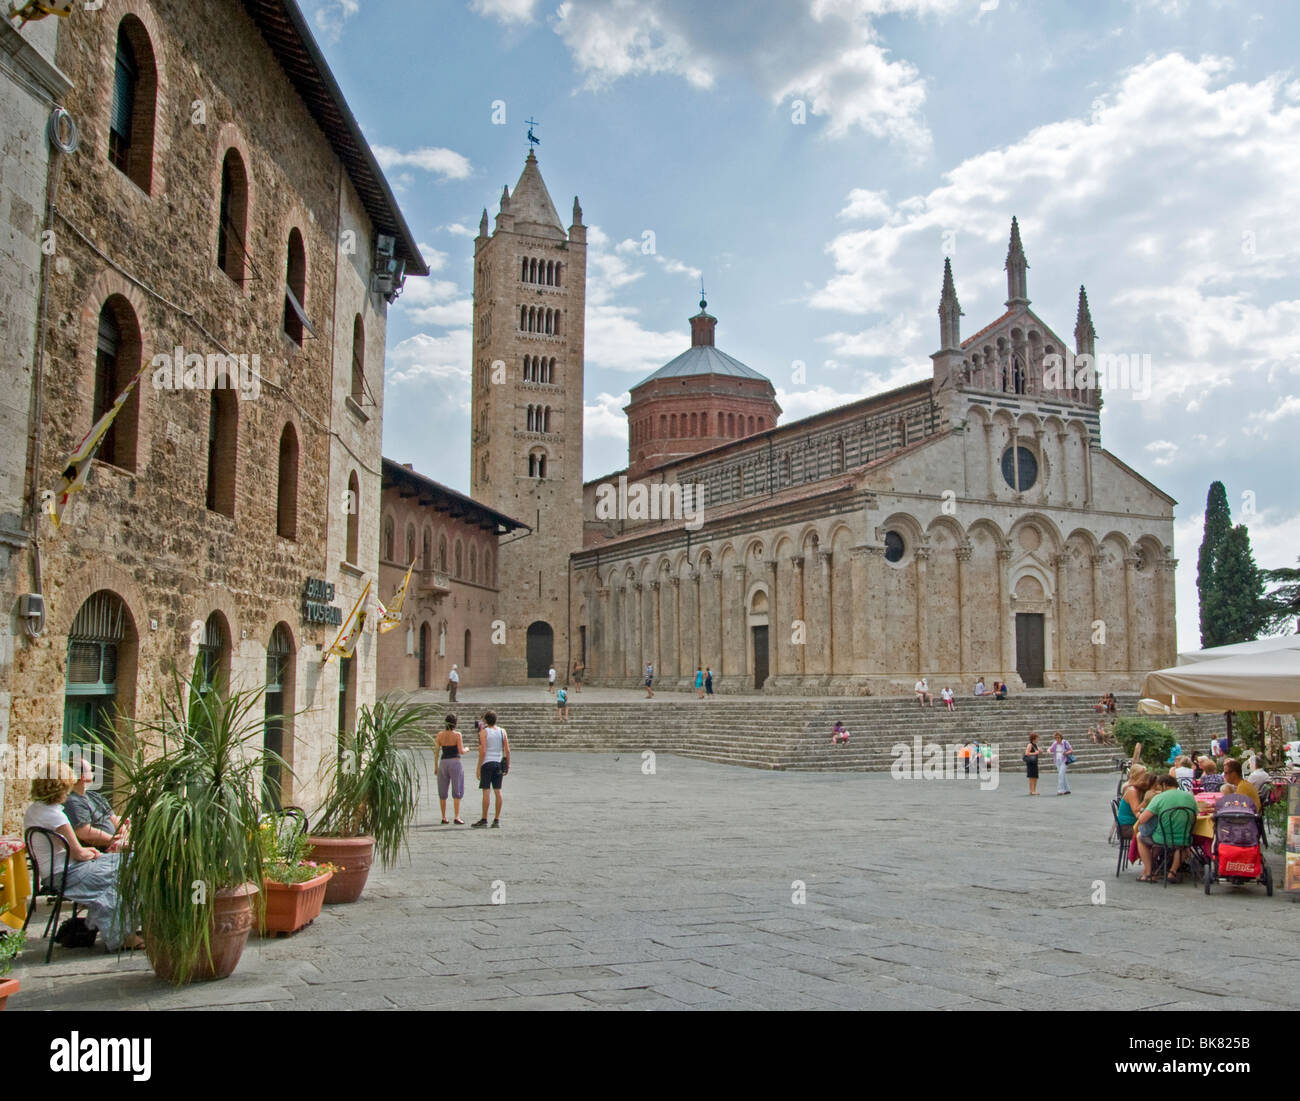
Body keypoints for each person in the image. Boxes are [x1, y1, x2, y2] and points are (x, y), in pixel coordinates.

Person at [23, 762, 143, 951]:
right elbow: (78, 852)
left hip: (57, 870)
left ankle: (112, 925)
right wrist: (93, 852)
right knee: (126, 872)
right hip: (67, 873)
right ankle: (122, 934)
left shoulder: (35, 809)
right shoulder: (56, 817)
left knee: (130, 862)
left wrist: (90, 853)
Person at [1135, 774, 1198, 882]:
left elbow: (1143, 819)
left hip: (1162, 838)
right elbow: (1194, 816)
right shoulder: (1190, 797)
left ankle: (1148, 871)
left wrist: (1138, 815)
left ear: (1164, 785)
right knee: (1182, 846)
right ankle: (1172, 872)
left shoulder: (1159, 798)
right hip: (1184, 838)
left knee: (1140, 836)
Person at [64, 758, 127, 852]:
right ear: (82, 776)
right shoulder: (72, 801)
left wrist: (123, 835)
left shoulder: (95, 796)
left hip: (116, 846)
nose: (93, 774)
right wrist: (113, 840)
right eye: (90, 770)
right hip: (99, 852)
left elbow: (113, 818)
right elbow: (84, 833)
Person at [471, 710, 510, 828]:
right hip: (498, 763)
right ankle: (496, 819)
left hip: (487, 763)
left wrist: (478, 767)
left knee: (486, 790)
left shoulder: (484, 732)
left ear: (486, 721)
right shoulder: (502, 731)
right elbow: (507, 750)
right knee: (498, 791)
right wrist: (507, 764)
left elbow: (483, 751)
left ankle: (484, 819)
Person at [436, 713, 467, 825]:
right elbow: (461, 751)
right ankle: (456, 816)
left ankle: (444, 817)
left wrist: (435, 766)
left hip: (443, 762)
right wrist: (467, 749)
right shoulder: (457, 735)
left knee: (442, 790)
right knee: (457, 788)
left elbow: (436, 751)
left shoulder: (440, 735)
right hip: (455, 762)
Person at [1051, 730, 1072, 795]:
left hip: (1064, 760)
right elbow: (1051, 749)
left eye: (1058, 737)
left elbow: (1071, 750)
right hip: (1057, 760)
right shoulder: (1055, 743)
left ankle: (1060, 790)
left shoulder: (1065, 742)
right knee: (1063, 775)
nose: (1057, 739)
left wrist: (1066, 752)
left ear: (1061, 737)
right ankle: (1067, 789)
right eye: (1056, 738)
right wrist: (1048, 750)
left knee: (1060, 774)